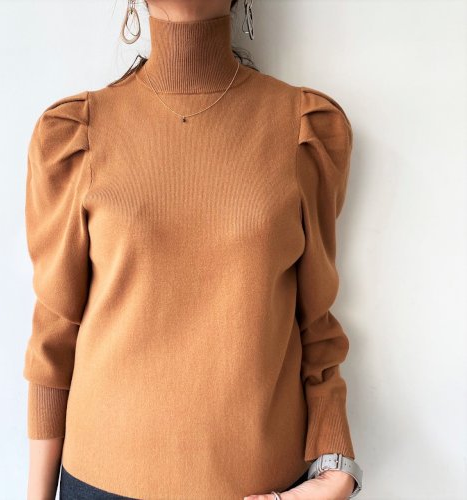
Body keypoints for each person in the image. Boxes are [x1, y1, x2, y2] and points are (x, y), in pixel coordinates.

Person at [23, 0, 363, 499]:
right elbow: (54, 331)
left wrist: (337, 469)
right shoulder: (75, 135)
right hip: (100, 480)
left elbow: (315, 324)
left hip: (260, 486)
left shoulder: (304, 129)